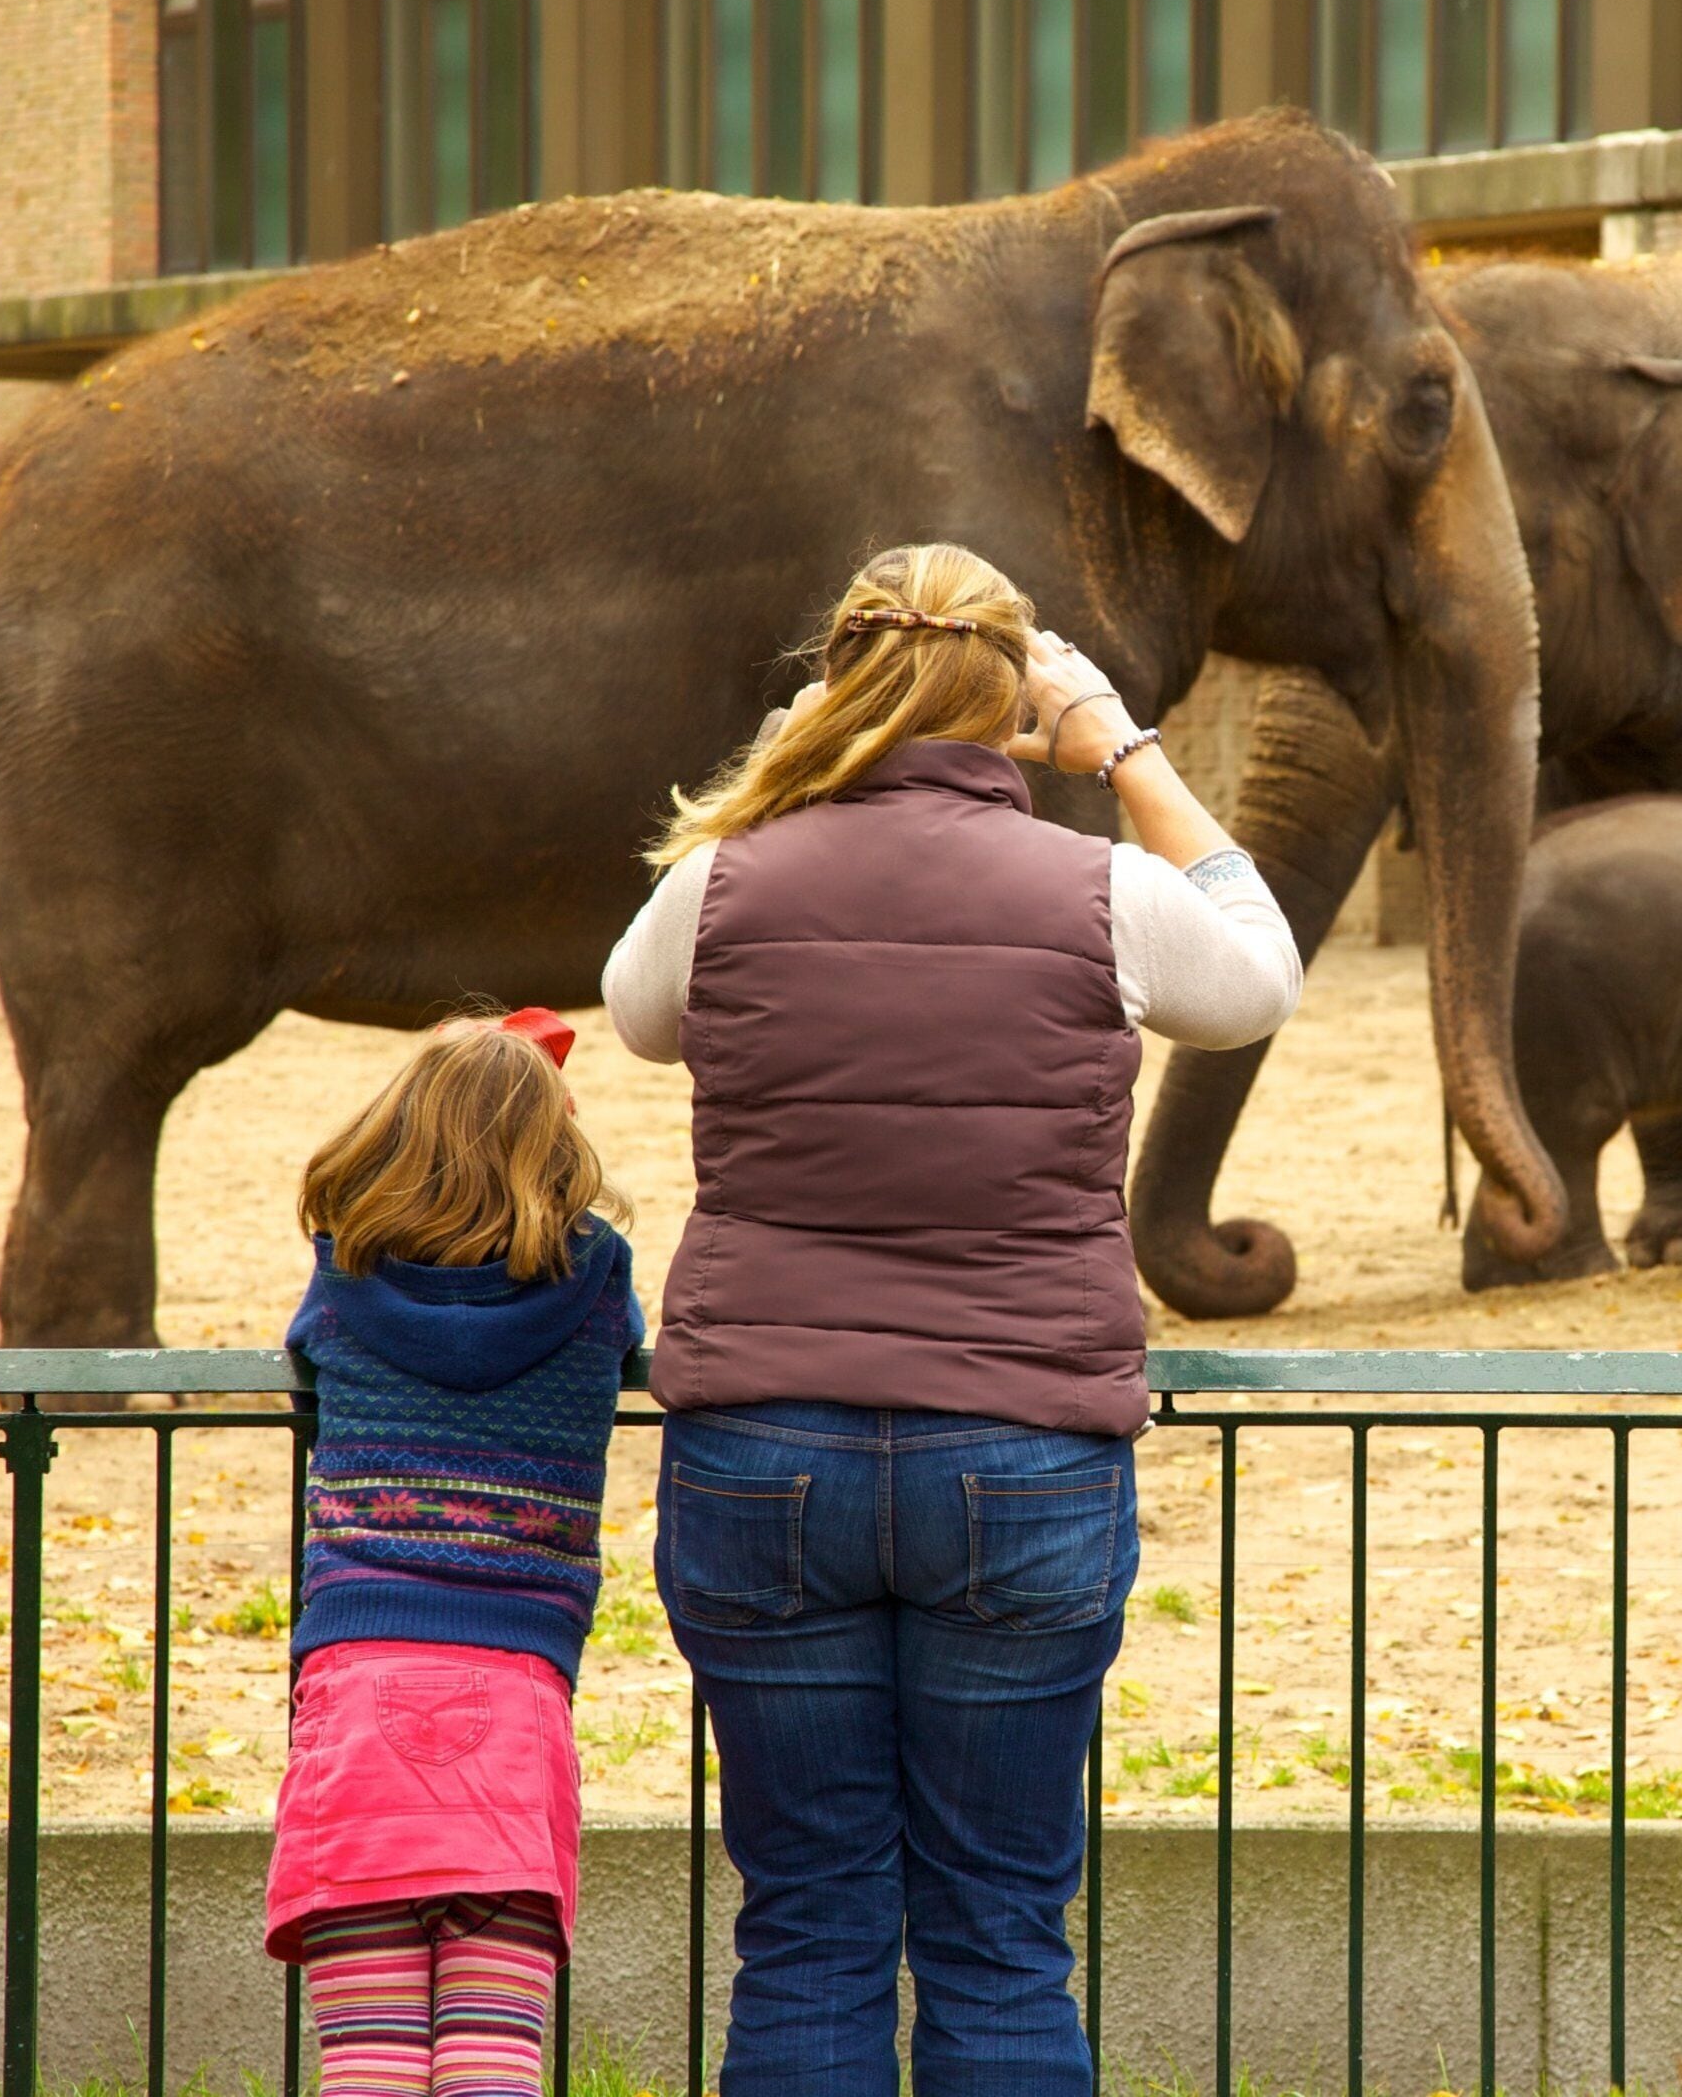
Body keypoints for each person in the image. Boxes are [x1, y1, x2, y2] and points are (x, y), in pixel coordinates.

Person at [603, 541, 1300, 2097]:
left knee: (809, 1924)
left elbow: (635, 1010)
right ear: (1019, 699)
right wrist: (1121, 747)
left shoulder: (721, 883)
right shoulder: (1098, 891)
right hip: (1024, 1456)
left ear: (835, 681)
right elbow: (1258, 978)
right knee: (995, 1933)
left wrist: (801, 751)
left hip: (764, 1454)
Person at [260, 1011, 640, 2097]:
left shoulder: (342, 1281)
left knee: (371, 2057)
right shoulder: (595, 1282)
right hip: (517, 1699)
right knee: (493, 2055)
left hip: (358, 1684)